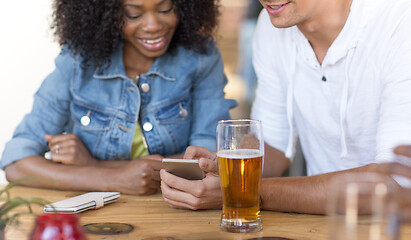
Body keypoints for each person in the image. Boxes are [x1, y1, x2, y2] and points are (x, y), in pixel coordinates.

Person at [160, 0, 411, 213]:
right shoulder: (270, 28)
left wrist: (243, 190)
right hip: (317, 225)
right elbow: (273, 146)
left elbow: (396, 182)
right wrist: (228, 167)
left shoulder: (400, 21)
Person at [0, 0, 236, 195]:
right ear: (106, 14)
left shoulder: (201, 57)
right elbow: (17, 162)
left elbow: (209, 161)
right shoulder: (77, 62)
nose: (153, 25)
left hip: (174, 216)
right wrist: (112, 178)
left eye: (165, 9)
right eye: (133, 14)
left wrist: (94, 165)